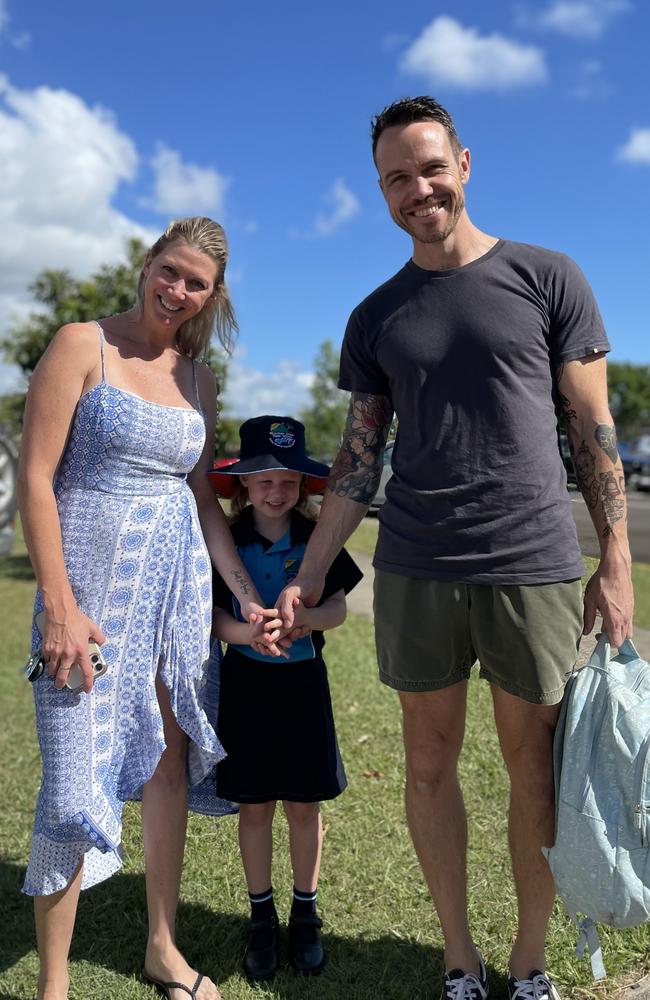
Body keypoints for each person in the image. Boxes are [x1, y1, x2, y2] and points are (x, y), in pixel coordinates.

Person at [275, 97, 634, 1000]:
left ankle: (529, 961)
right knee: (429, 766)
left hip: (533, 562)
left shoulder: (548, 277)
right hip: (420, 566)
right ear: (382, 192)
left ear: (464, 164)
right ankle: (459, 959)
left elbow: (594, 430)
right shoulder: (377, 316)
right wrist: (309, 575)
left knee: (534, 771)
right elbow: (359, 461)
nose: (417, 188)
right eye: (396, 177)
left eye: (430, 168)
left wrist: (616, 561)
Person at [17, 217, 282, 1000]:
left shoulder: (199, 378)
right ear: (147, 264)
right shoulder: (80, 344)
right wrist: (60, 606)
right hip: (89, 592)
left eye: (196, 282)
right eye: (170, 271)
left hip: (175, 590)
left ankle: (162, 949)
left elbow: (202, 498)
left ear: (212, 294)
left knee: (169, 763)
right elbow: (36, 478)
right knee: (73, 775)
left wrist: (244, 593)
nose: (178, 290)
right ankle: (54, 986)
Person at [207, 415, 362, 981]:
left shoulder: (316, 541)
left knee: (303, 805)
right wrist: (247, 633)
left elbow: (339, 609)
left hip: (303, 688)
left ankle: (305, 913)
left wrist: (306, 622)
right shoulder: (229, 542)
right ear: (243, 484)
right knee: (254, 807)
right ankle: (260, 917)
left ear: (304, 487)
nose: (277, 491)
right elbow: (217, 617)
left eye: (289, 481)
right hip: (246, 690)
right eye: (264, 480)